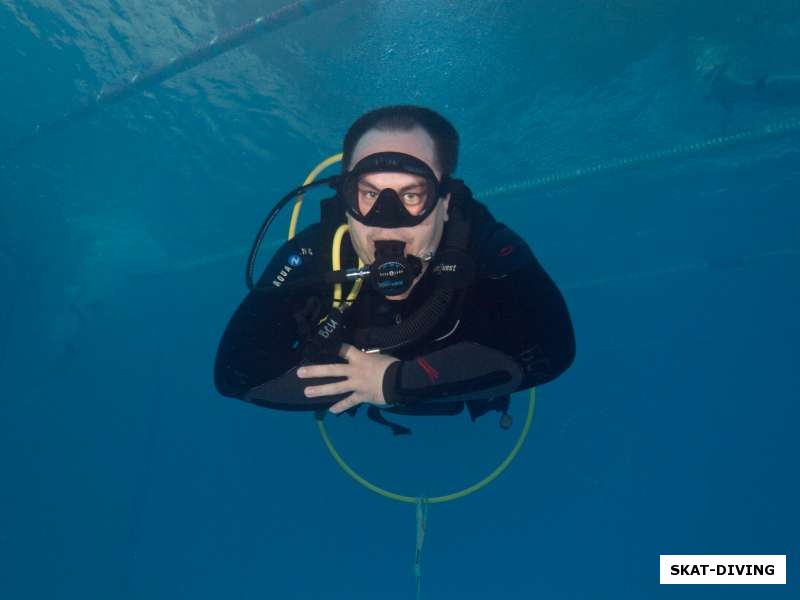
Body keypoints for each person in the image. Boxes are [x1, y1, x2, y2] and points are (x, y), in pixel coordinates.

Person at [214, 105, 575, 434]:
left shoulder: (484, 246)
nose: (387, 223)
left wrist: (396, 382)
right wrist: (359, 382)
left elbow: (553, 350)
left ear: (446, 203)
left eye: (412, 195)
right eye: (369, 194)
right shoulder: (316, 254)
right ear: (345, 197)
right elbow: (235, 374)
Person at [706, 63, 800, 109]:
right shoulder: (718, 78)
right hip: (765, 87)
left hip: (763, 95)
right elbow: (724, 64)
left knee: (792, 98)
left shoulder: (716, 91)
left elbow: (728, 108)